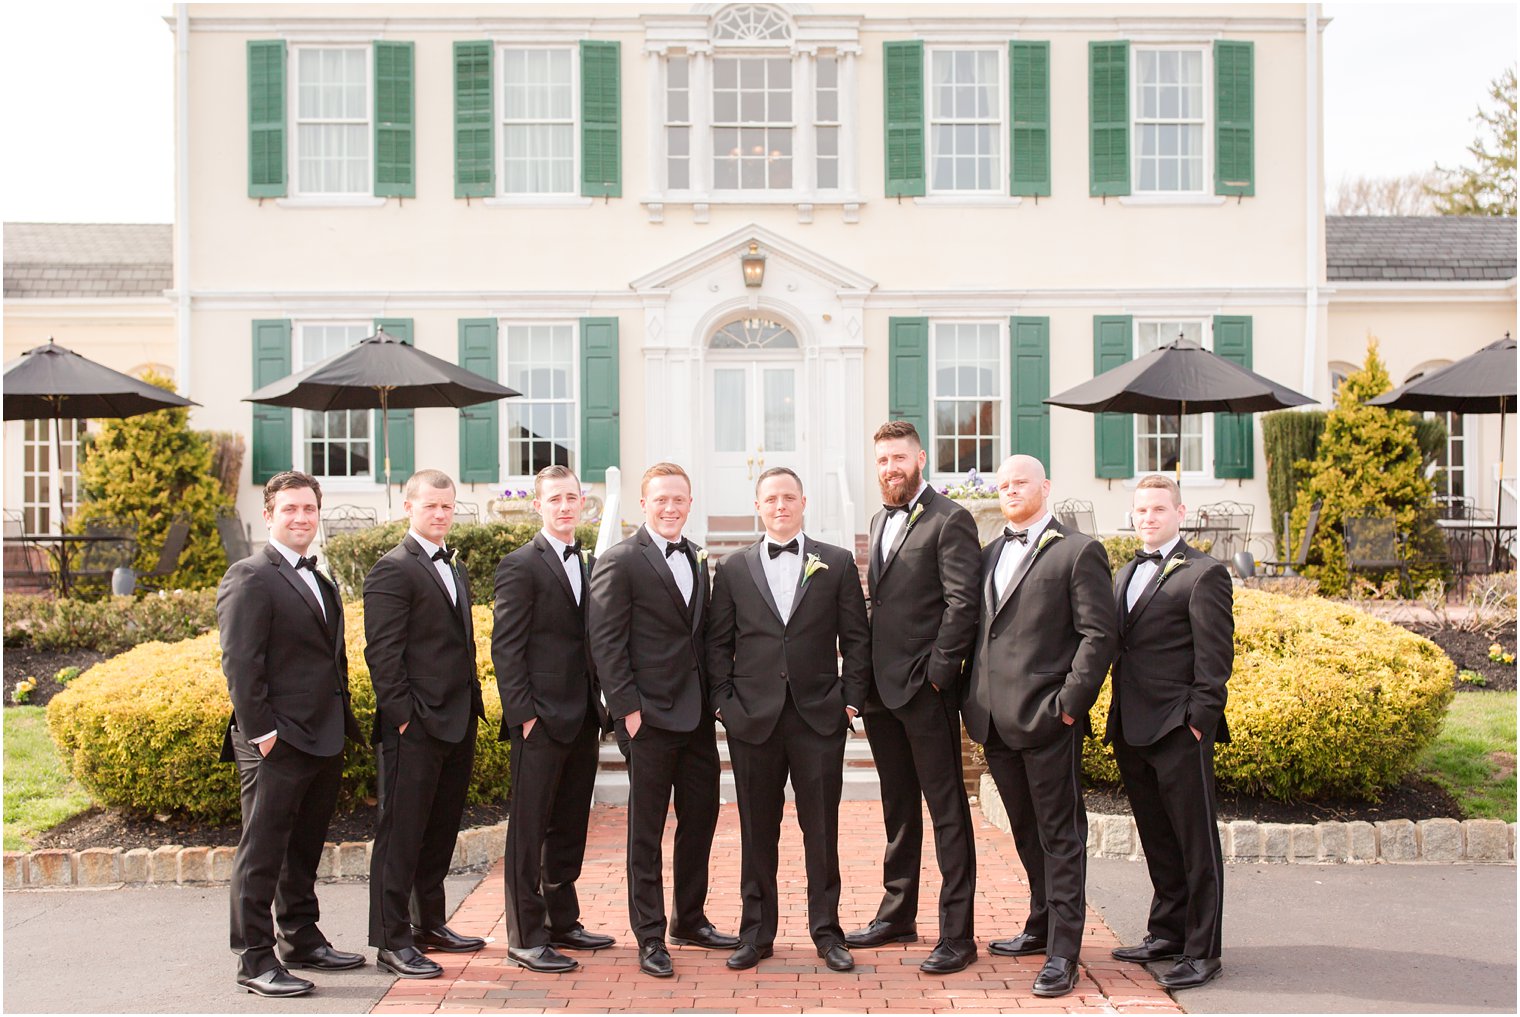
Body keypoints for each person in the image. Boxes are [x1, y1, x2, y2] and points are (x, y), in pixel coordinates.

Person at [962, 454, 1117, 999]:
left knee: (1060, 834)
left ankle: (1064, 951)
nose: (1010, 490)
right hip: (993, 721)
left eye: (1020, 482)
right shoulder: (985, 555)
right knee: (1025, 830)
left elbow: (1099, 635)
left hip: (1049, 719)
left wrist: (1069, 706)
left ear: (1045, 486)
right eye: (1002, 485)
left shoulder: (1078, 551)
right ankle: (1040, 922)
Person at [706, 467, 871, 973]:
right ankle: (756, 933)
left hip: (818, 716)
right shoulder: (732, 568)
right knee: (758, 831)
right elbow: (718, 644)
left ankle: (827, 932)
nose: (780, 506)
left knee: (821, 829)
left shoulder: (837, 563)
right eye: (771, 498)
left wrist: (850, 702)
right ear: (758, 506)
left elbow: (857, 640)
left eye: (789, 498)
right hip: (752, 720)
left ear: (804, 502)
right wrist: (723, 705)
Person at [217, 470, 365, 997]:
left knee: (303, 847)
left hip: (322, 735)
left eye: (308, 509)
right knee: (262, 851)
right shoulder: (250, 576)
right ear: (269, 515)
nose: (301, 518)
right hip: (276, 740)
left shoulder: (320, 580)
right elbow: (240, 664)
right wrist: (262, 735)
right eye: (290, 510)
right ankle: (254, 959)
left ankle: (300, 937)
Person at [587, 462, 738, 978]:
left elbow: (703, 637)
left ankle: (689, 919)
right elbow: (605, 642)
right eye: (661, 499)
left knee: (701, 819)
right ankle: (650, 935)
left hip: (695, 718)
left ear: (689, 503)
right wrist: (625, 710)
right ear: (644, 505)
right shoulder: (620, 560)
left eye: (679, 499)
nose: (671, 507)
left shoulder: (697, 557)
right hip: (646, 718)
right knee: (645, 833)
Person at [847, 421, 982, 975]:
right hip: (882, 693)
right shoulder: (880, 518)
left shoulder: (952, 519)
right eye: (881, 460)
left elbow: (962, 605)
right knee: (898, 808)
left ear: (920, 458)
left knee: (947, 810)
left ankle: (958, 934)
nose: (889, 468)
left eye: (898, 458)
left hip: (924, 692)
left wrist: (937, 676)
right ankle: (898, 912)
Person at [1105, 474, 1232, 991]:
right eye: (1141, 510)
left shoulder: (1205, 574)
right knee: (1157, 838)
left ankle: (1203, 952)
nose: (1149, 517)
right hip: (1131, 725)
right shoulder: (1124, 573)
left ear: (1181, 513)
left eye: (1159, 509)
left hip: (1179, 728)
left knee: (1195, 843)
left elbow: (1216, 659)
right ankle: (1166, 932)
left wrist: (1198, 721)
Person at [491, 465, 615, 974]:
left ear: (583, 504)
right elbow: (507, 646)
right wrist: (522, 714)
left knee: (568, 826)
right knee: (528, 831)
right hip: (539, 719)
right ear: (538, 505)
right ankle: (525, 935)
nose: (565, 507)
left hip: (583, 714)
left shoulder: (586, 562)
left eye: (572, 498)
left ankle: (563, 921)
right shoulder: (520, 564)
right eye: (555, 499)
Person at [364, 469, 488, 979]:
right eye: (430, 506)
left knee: (439, 829)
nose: (440, 514)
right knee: (401, 834)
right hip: (414, 727)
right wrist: (404, 721)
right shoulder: (393, 569)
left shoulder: (450, 566)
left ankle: (429, 922)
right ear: (408, 507)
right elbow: (383, 655)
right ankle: (392, 940)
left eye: (447, 506)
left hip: (457, 719)